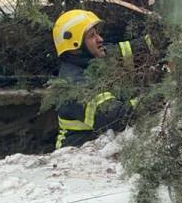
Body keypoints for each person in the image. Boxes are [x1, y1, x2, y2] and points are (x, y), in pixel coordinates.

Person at [52, 9, 155, 149]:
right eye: (92, 36)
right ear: (75, 45)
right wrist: (159, 96)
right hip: (78, 154)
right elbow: (117, 117)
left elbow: (134, 50)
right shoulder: (75, 84)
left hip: (100, 147)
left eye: (97, 33)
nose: (100, 39)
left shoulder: (94, 59)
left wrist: (159, 38)